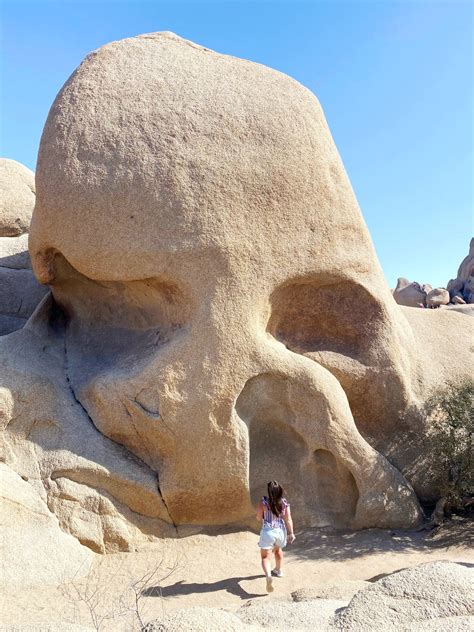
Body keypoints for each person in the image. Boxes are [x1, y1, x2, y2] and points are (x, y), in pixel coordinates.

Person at [256, 480, 295, 593]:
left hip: (268, 531)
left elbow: (258, 517)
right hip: (280, 532)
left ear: (269, 492)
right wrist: (291, 533)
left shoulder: (264, 503)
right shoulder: (284, 503)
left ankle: (268, 575)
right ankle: (279, 570)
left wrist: (262, 516)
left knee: (265, 557)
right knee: (278, 550)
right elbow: (288, 519)